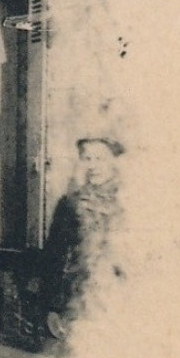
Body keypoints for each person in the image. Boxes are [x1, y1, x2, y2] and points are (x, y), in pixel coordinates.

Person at [37, 137, 124, 342]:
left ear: (114, 161)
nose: (93, 166)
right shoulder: (70, 204)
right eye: (87, 159)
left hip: (121, 299)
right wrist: (53, 306)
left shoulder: (129, 201)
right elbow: (55, 256)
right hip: (78, 300)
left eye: (99, 159)